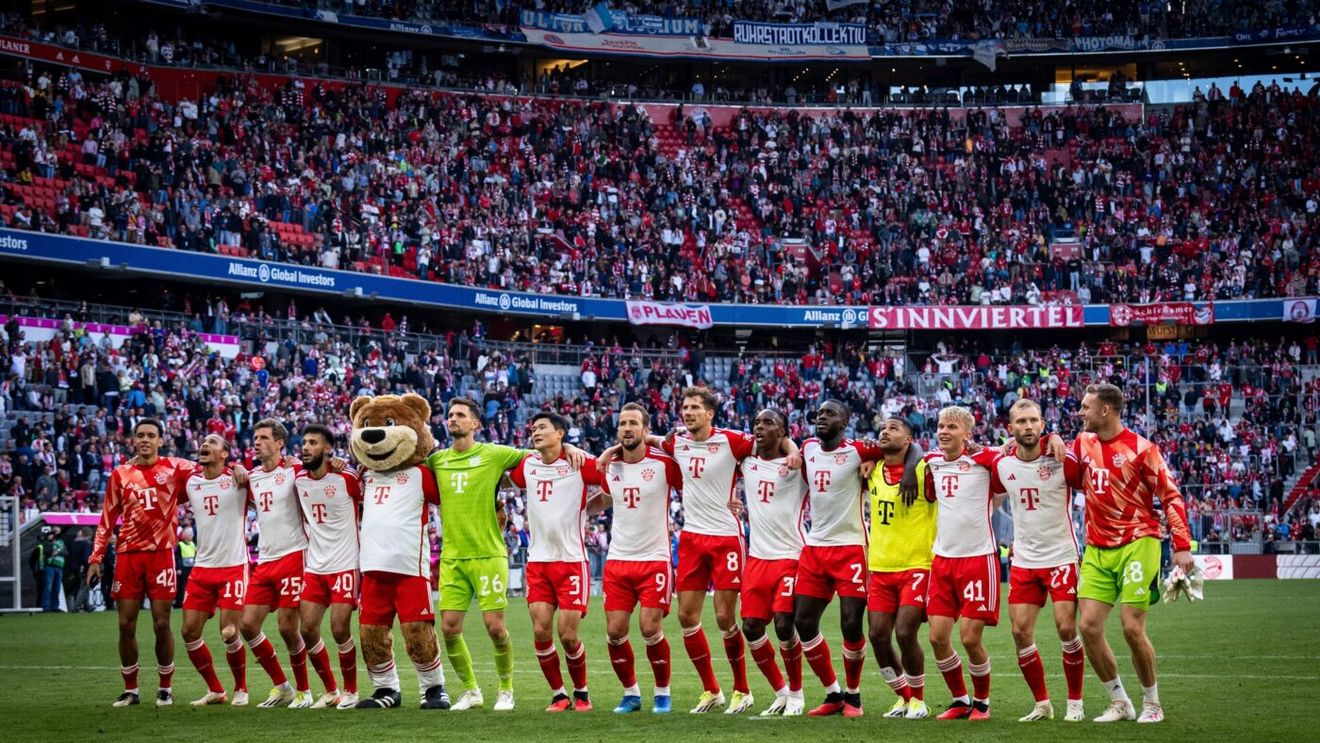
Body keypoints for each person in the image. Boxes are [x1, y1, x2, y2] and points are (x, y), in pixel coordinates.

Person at [427, 397, 583, 712]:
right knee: (449, 628)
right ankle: (471, 690)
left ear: (475, 423)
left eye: (460, 415)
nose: (453, 418)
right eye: (451, 414)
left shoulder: (495, 454)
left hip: (488, 554)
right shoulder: (437, 460)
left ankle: (506, 689)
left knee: (495, 628)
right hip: (453, 557)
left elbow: (541, 454)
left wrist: (567, 446)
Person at [649, 387, 798, 714]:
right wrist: (609, 452)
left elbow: (773, 442)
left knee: (724, 617)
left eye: (695, 407)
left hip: (726, 538)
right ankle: (712, 690)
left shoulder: (732, 441)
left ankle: (743, 690)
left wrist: (794, 451)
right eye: (685, 407)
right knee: (686, 617)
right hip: (691, 538)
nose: (688, 412)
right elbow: (648, 439)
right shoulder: (677, 442)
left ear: (710, 413)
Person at [1074, 383, 1194, 724]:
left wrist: (1182, 545)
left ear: (1105, 410)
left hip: (1138, 542)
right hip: (1097, 547)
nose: (1080, 412)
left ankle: (1152, 704)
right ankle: (1120, 702)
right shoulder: (1082, 443)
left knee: (1131, 628)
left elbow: (1170, 496)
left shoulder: (1143, 450)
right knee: (1089, 628)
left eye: (1085, 406)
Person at [88, 419, 197, 706]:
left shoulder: (175, 468)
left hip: (161, 555)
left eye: (151, 435)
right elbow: (107, 519)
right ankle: (131, 689)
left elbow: (210, 468)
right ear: (133, 440)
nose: (145, 439)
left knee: (162, 623)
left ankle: (165, 687)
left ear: (161, 440)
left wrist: (235, 468)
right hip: (128, 556)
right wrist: (96, 558)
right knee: (125, 624)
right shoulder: (120, 474)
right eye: (140, 435)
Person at [794, 400, 890, 718]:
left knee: (850, 623)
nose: (822, 417)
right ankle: (833, 693)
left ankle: (853, 695)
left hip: (850, 547)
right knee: (803, 622)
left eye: (830, 414)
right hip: (815, 547)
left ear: (845, 422)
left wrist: (874, 461)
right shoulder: (807, 447)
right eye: (820, 413)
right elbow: (788, 449)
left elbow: (902, 448)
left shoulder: (859, 450)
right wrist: (790, 450)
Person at [508, 411, 603, 712]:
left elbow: (613, 480)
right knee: (540, 631)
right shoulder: (527, 464)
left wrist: (589, 508)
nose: (535, 432)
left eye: (542, 428)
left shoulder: (579, 462)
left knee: (568, 635)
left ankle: (582, 692)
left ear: (560, 433)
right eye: (533, 428)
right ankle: (559, 694)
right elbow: (507, 478)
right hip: (538, 562)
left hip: (571, 560)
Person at [998, 400, 1086, 722]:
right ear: (1011, 428)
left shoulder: (1061, 459)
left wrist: (1058, 438)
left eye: (1034, 420)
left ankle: (1075, 702)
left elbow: (1086, 474)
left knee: (1066, 628)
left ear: (1043, 425)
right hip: (1024, 560)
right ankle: (1042, 704)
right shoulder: (1002, 464)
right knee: (1020, 632)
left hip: (1061, 555)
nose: (1028, 426)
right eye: (1021, 421)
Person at [598, 403, 683, 714]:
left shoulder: (664, 463)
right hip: (618, 559)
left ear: (646, 430)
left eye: (633, 423)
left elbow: (689, 465)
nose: (627, 428)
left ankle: (662, 693)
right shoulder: (609, 466)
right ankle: (631, 694)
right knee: (615, 632)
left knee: (650, 628)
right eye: (622, 423)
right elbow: (604, 497)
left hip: (654, 558)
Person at [923, 406, 1005, 721]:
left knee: (970, 638)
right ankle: (960, 700)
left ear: (967, 434)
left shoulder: (985, 461)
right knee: (937, 637)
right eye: (941, 426)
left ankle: (982, 703)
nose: (944, 431)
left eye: (952, 427)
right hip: (943, 561)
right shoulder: (931, 462)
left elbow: (1011, 454)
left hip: (978, 559)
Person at [735, 409, 806, 716]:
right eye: (756, 422)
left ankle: (797, 694)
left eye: (768, 423)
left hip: (790, 556)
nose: (759, 427)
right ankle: (780, 691)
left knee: (784, 624)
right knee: (751, 627)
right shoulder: (746, 462)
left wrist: (794, 450)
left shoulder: (799, 466)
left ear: (783, 432)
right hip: (757, 559)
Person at [865, 417, 934, 720]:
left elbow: (924, 453)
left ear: (908, 439)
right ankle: (903, 697)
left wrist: (911, 467)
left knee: (905, 633)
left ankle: (918, 699)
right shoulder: (871, 470)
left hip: (916, 565)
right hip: (880, 567)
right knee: (877, 636)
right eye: (883, 427)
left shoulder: (923, 470)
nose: (885, 431)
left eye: (894, 428)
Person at [239, 419, 309, 708]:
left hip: (293, 553)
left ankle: (305, 691)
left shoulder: (294, 470)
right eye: (255, 437)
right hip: (265, 558)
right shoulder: (252, 477)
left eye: (264, 437)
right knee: (247, 625)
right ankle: (282, 687)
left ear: (280, 443)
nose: (257, 442)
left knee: (288, 629)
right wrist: (236, 470)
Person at [293, 423, 363, 709]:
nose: (306, 447)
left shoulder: (346, 477)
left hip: (345, 564)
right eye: (304, 442)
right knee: (307, 629)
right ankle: (331, 690)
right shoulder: (298, 479)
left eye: (313, 443)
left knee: (339, 629)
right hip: (315, 567)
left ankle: (352, 690)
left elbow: (370, 499)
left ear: (327, 448)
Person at [179, 434, 250, 706]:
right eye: (204, 442)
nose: (205, 445)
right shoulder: (191, 482)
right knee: (189, 632)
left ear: (225, 454)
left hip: (233, 566)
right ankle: (216, 690)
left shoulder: (238, 480)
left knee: (229, 631)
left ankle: (241, 688)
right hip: (202, 569)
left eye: (213, 442)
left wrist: (239, 467)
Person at [42, 527, 67, 612]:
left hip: (59, 567)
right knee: (48, 587)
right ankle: (46, 607)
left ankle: (55, 606)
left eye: (58, 532)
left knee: (57, 588)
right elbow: (48, 552)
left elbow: (66, 552)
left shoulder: (61, 542)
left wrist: (58, 552)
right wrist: (57, 550)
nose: (56, 534)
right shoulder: (45, 542)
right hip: (50, 566)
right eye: (55, 532)